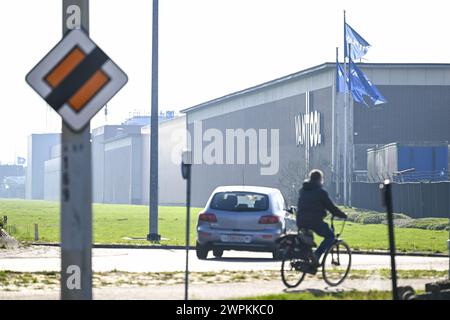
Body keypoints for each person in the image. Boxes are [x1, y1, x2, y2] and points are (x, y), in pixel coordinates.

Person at [296, 169, 347, 267]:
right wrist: (342, 215)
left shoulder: (303, 190)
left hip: (300, 221)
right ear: (320, 180)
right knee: (330, 236)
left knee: (307, 241)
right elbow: (331, 207)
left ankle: (308, 257)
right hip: (314, 221)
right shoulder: (321, 192)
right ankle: (317, 254)